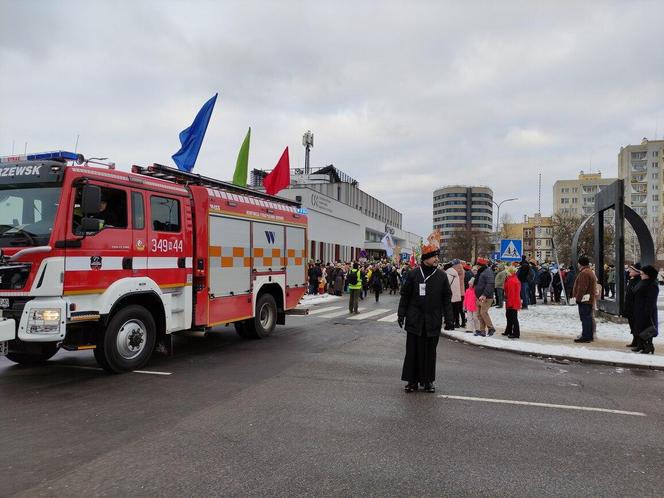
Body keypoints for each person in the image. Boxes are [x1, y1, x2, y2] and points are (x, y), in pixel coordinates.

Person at [398, 231, 453, 393]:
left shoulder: (442, 276)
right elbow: (405, 296)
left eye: (437, 256)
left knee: (430, 353)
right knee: (412, 352)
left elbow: (446, 299)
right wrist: (401, 314)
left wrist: (449, 319)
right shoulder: (413, 274)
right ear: (425, 258)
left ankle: (428, 381)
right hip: (415, 320)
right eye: (434, 256)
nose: (437, 259)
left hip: (433, 320)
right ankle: (412, 381)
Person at [631, 265, 659, 354]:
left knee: (647, 328)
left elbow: (651, 300)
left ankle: (649, 346)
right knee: (639, 327)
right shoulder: (643, 282)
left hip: (646, 310)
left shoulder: (652, 284)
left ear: (648, 275)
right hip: (639, 309)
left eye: (642, 273)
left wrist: (647, 312)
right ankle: (640, 345)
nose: (641, 275)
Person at [572, 255, 597, 343]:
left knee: (585, 318)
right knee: (588, 317)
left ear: (580, 263)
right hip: (589, 299)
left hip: (584, 300)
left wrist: (578, 298)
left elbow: (582, 287)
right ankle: (588, 335)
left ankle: (586, 336)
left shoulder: (584, 273)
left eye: (578, 263)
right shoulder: (589, 271)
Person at [474, 257, 495, 336]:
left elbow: (490, 284)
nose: (477, 267)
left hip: (486, 297)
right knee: (479, 314)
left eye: (478, 265)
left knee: (483, 312)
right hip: (480, 296)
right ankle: (482, 330)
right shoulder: (481, 272)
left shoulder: (488, 272)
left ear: (482, 265)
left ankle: (491, 328)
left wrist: (484, 294)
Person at [622, 263, 641, 348]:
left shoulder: (639, 281)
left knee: (635, 324)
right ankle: (635, 340)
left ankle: (638, 341)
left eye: (632, 270)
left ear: (637, 272)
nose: (629, 271)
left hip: (634, 307)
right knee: (632, 324)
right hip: (630, 306)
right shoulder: (632, 280)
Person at [502, 266, 522, 338]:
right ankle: (509, 330)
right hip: (513, 301)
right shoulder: (513, 279)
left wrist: (510, 303)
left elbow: (511, 293)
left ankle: (515, 333)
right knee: (510, 316)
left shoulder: (511, 280)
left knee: (513, 318)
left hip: (512, 302)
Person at [445, 261, 463, 328]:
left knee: (450, 310)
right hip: (457, 295)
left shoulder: (448, 274)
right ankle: (457, 323)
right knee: (456, 310)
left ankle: (451, 322)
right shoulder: (456, 274)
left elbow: (446, 285)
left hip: (450, 295)